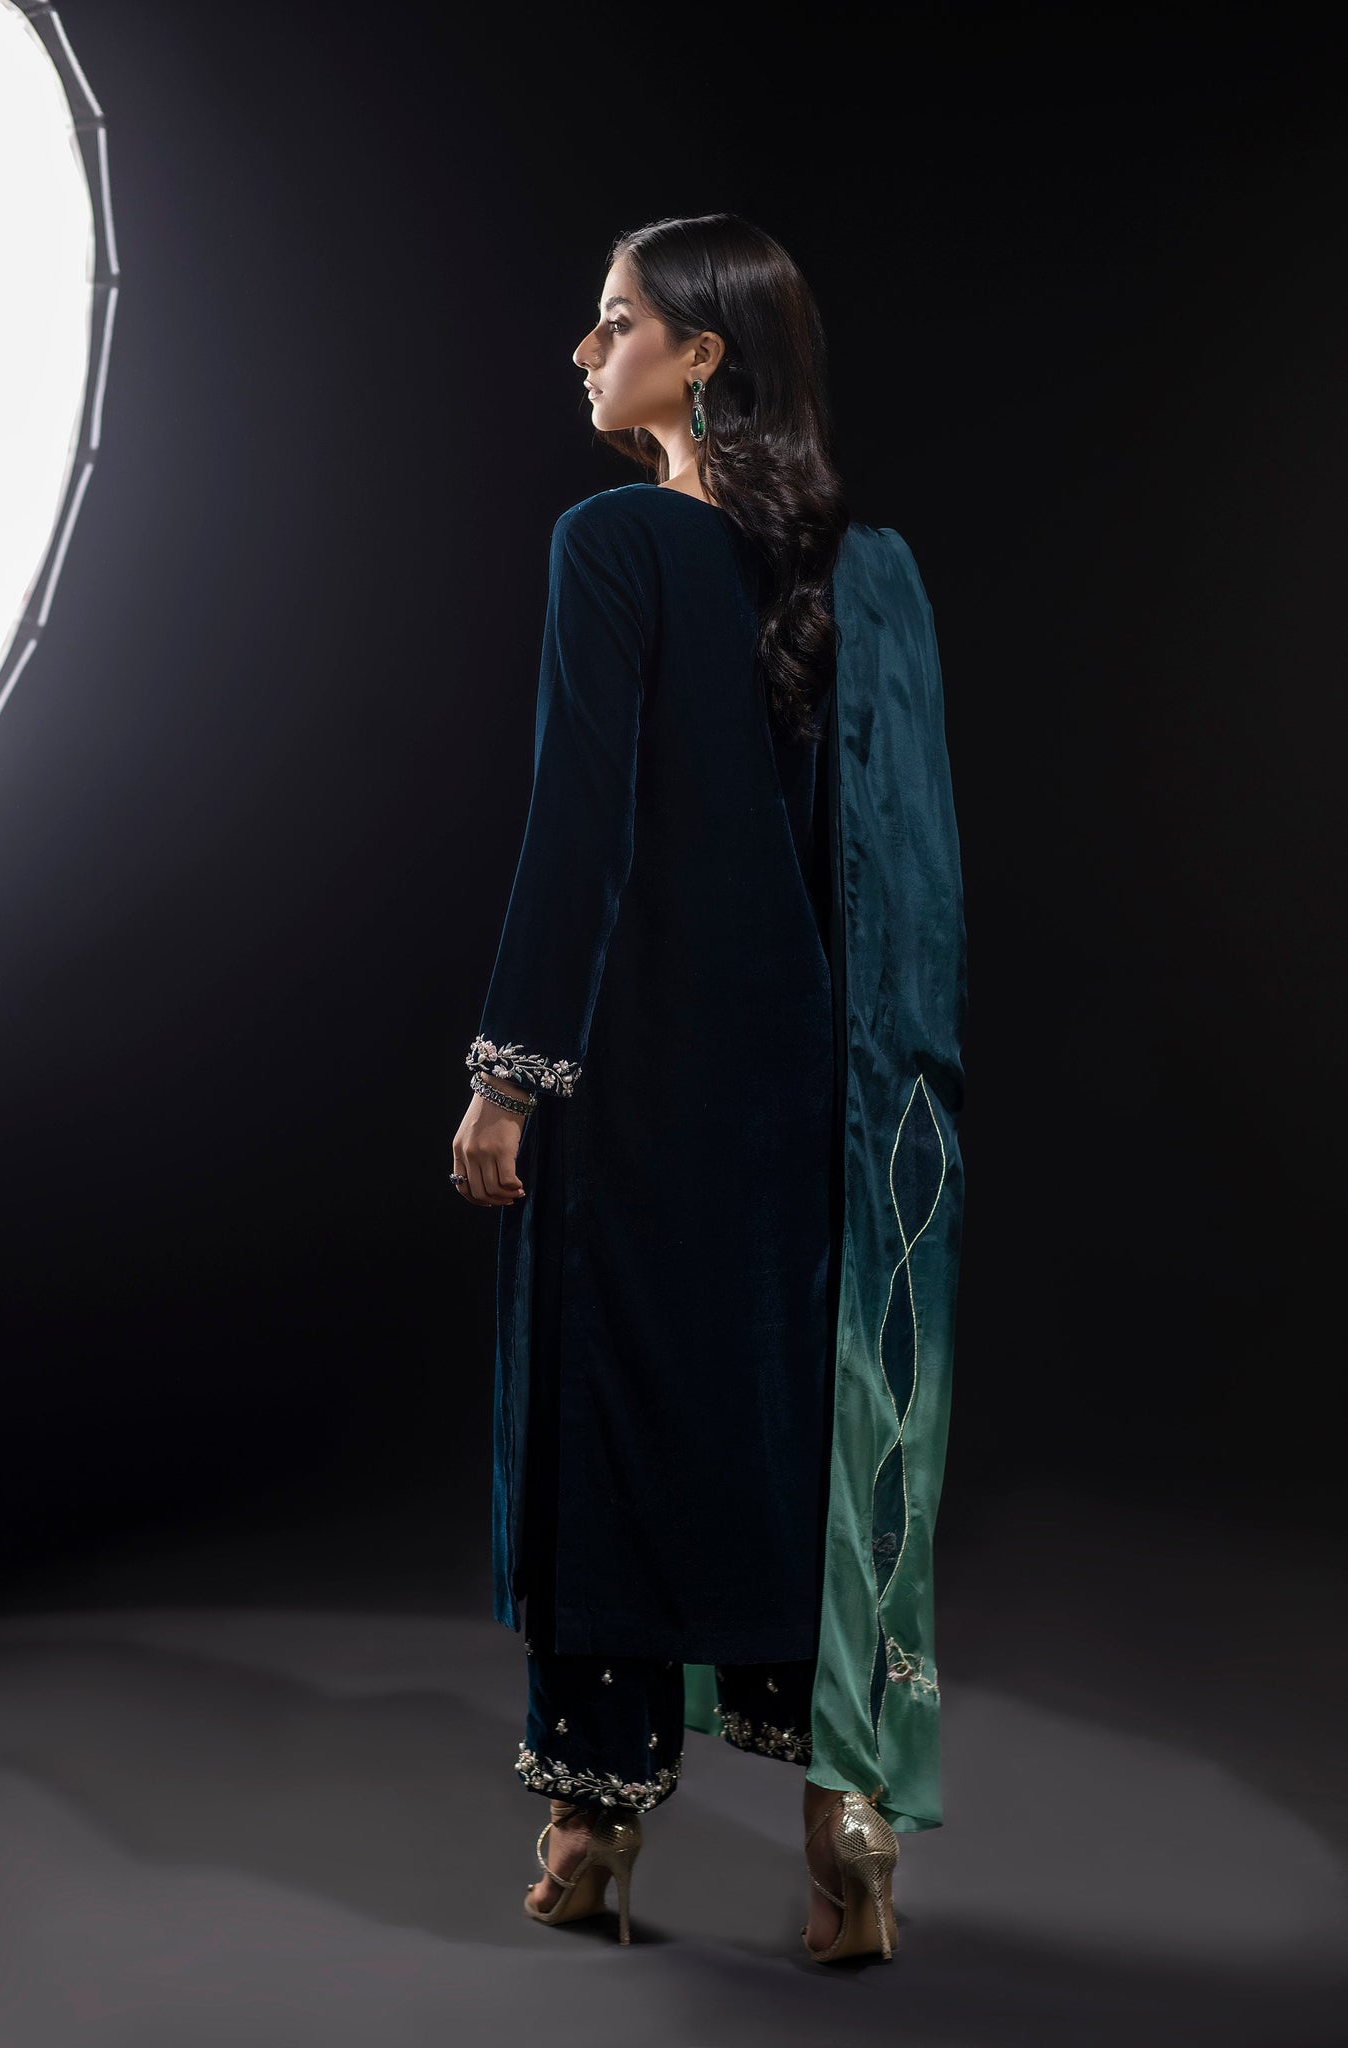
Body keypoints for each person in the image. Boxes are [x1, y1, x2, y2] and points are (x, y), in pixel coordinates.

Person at [450, 213, 966, 1963]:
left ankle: (592, 1832)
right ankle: (847, 1824)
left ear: (699, 358)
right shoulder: (865, 570)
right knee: (793, 1429)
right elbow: (884, 873)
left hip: (635, 1071)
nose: (581, 351)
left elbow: (577, 824)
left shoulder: (614, 541)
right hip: (814, 1090)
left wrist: (510, 1074)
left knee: (606, 1430)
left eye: (612, 323)